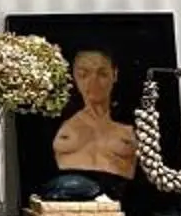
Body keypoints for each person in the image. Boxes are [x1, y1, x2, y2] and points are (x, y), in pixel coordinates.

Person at [51, 45, 138, 180]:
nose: (93, 82)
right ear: (74, 76)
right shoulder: (58, 120)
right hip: (66, 190)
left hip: (120, 190)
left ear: (114, 74)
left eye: (102, 74)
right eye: (83, 74)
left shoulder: (135, 122)